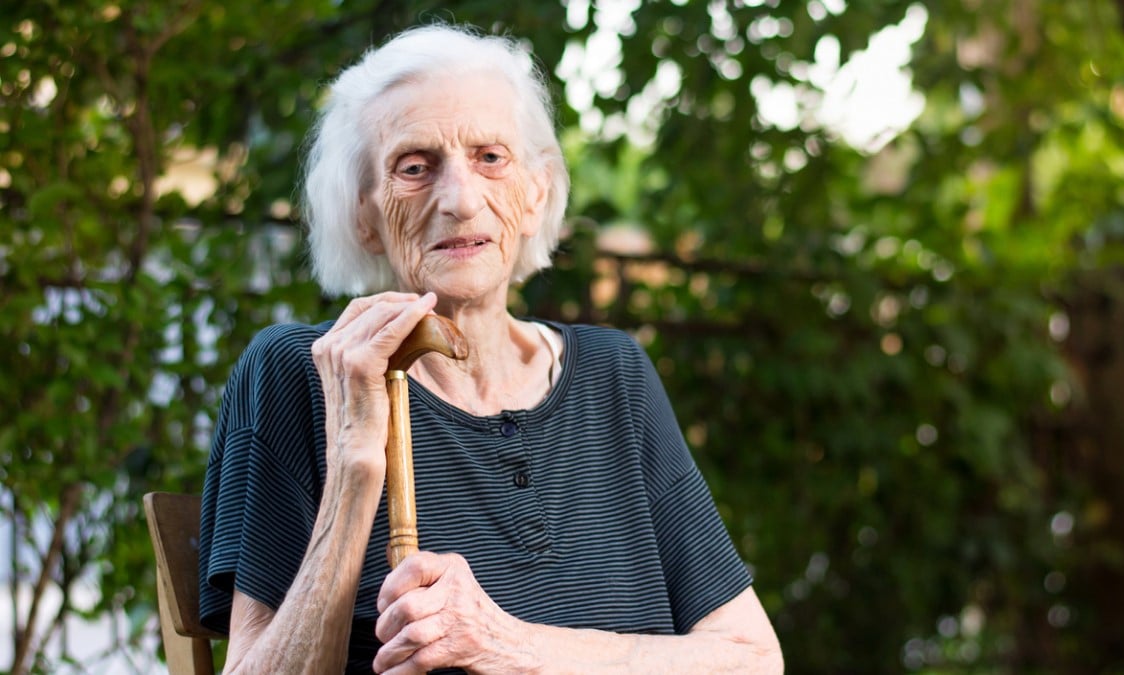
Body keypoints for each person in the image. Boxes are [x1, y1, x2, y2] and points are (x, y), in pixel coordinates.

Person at [198, 23, 783, 674]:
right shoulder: (302, 373)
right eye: (415, 167)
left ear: (536, 193)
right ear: (363, 213)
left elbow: (750, 657)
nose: (460, 198)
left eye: (490, 157)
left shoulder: (615, 375)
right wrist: (355, 471)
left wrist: (505, 643)